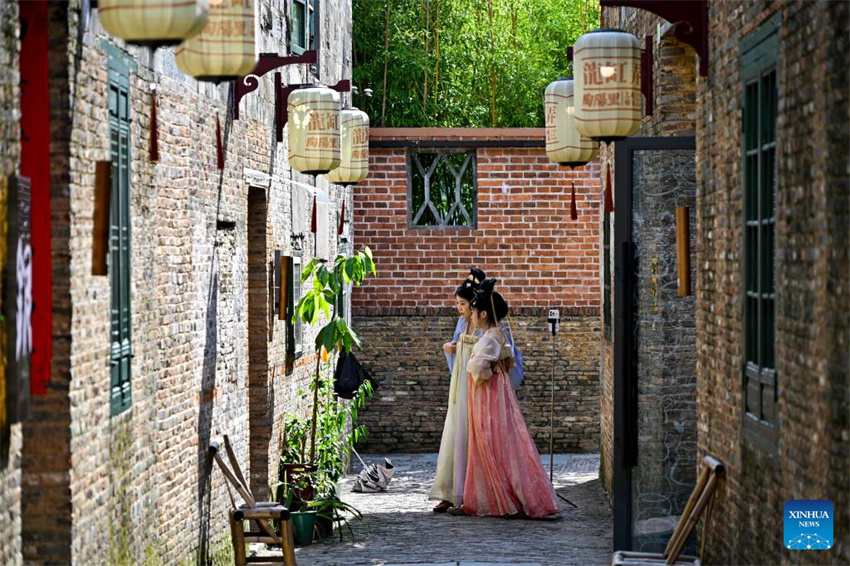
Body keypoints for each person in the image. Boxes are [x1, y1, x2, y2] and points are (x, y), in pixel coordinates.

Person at [453, 278, 559, 518]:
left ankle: (500, 497)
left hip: (488, 396)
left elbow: (477, 367)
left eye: (474, 312)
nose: (471, 317)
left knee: (491, 439)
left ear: (483, 314)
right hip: (499, 393)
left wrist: (473, 366)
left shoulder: (489, 338)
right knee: (503, 439)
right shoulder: (498, 334)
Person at [430, 268, 485, 513]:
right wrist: (451, 348)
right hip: (459, 383)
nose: (459, 308)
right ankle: (451, 491)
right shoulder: (462, 323)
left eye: (462, 304)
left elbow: (489, 351)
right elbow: (456, 346)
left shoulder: (484, 325)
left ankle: (474, 491)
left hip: (475, 383)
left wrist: (461, 349)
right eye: (457, 304)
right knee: (455, 432)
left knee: (472, 433)